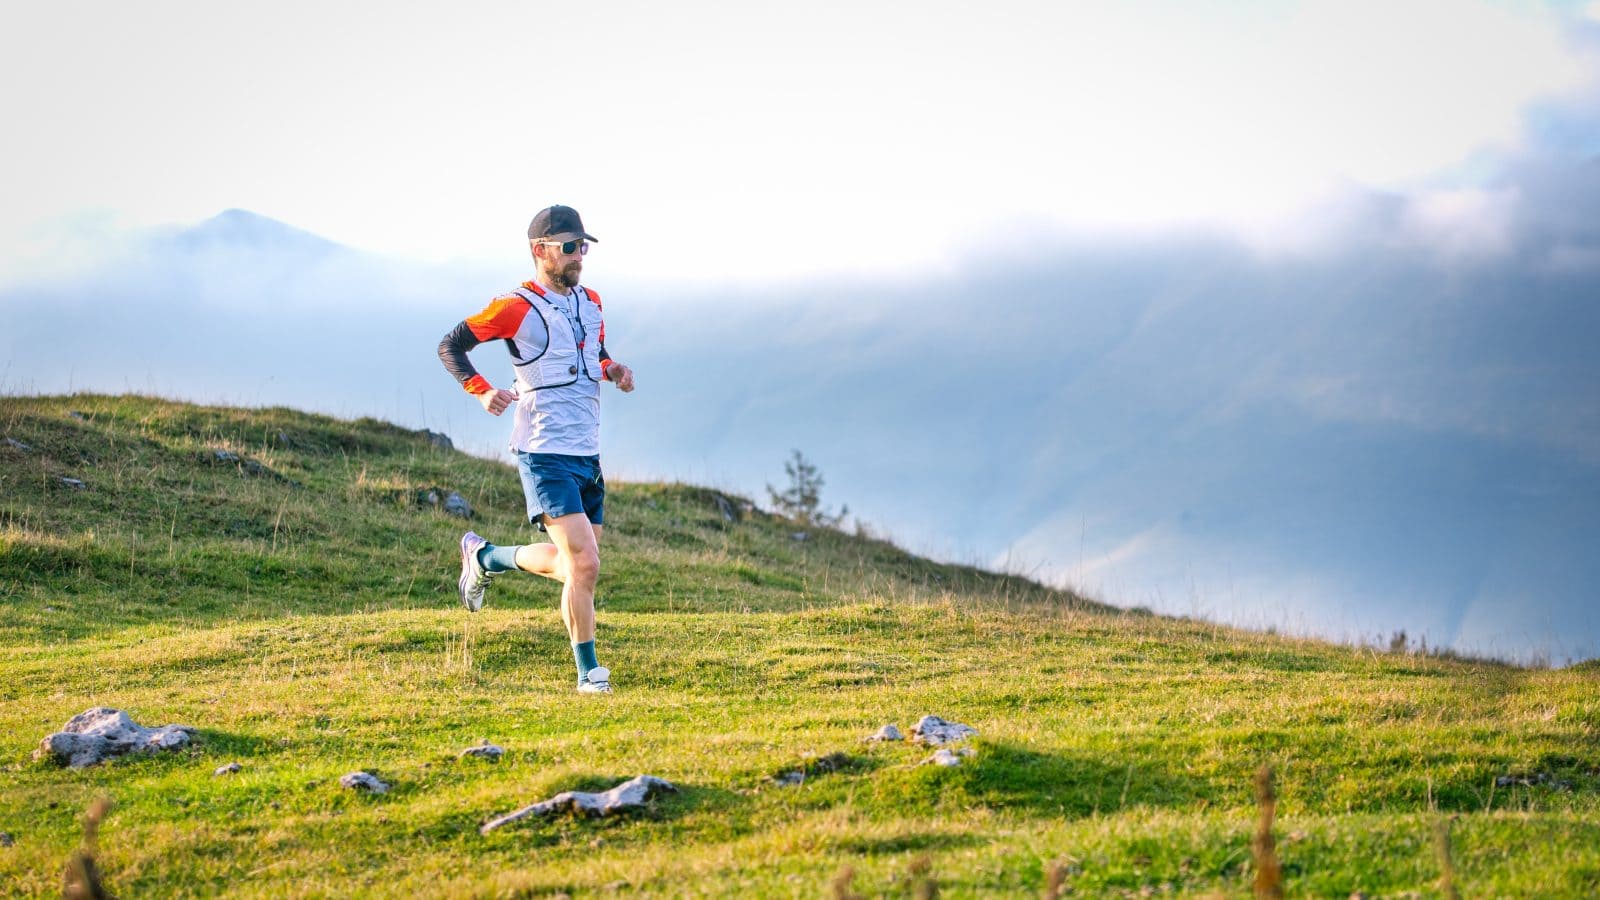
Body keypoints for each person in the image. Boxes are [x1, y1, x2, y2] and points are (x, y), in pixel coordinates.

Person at [436, 204, 635, 694]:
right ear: (539, 251)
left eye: (582, 247)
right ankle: (589, 675)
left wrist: (612, 369)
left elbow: (594, 352)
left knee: (573, 567)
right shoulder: (514, 306)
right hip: (543, 451)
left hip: (587, 452)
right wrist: (481, 390)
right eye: (569, 247)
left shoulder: (591, 302)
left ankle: (484, 558)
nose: (578, 257)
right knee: (586, 565)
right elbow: (451, 345)